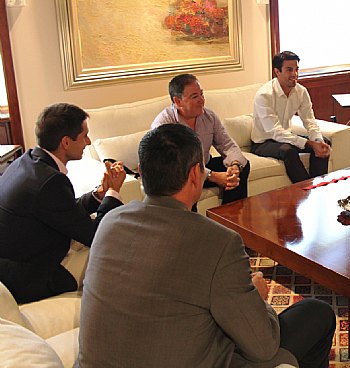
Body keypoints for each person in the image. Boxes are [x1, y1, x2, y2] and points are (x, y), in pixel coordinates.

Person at [75, 123, 336, 368]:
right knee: (316, 313)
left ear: (142, 172)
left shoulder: (110, 222)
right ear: (195, 175)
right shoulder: (219, 241)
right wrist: (258, 299)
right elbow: (263, 346)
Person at [0, 103, 125, 304]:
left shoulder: (27, 161)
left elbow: (64, 210)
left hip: (18, 258)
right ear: (66, 142)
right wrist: (113, 191)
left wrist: (99, 194)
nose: (88, 142)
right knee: (114, 254)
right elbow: (97, 236)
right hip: (28, 276)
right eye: (84, 136)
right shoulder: (50, 182)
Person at [152, 73, 250, 205]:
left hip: (203, 166)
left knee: (243, 166)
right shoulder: (165, 123)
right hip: (180, 172)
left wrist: (235, 166)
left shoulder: (209, 116)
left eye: (201, 94)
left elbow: (227, 144)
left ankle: (230, 213)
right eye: (194, 97)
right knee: (185, 180)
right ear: (178, 101)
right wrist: (213, 176)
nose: (201, 100)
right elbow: (176, 164)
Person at [251, 51, 331, 183]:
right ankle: (305, 188)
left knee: (324, 143)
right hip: (263, 143)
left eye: (296, 69)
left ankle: (318, 185)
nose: (294, 74)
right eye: (289, 70)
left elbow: (309, 120)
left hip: (286, 138)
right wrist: (309, 143)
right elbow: (275, 132)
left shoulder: (301, 91)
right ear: (277, 71)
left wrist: (317, 141)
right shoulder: (264, 95)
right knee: (287, 151)